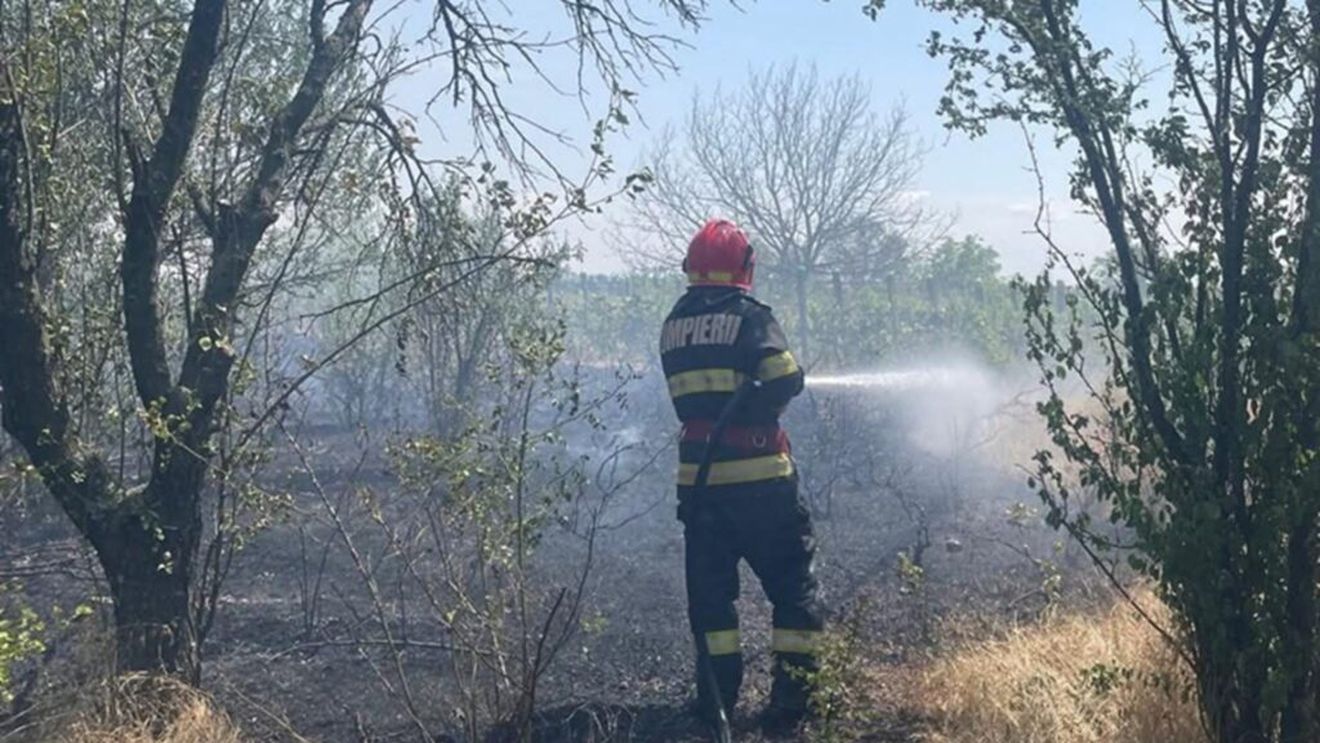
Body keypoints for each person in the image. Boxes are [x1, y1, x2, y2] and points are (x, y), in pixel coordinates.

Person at [658, 218, 825, 735]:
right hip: (761, 484)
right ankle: (792, 702)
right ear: (744, 267)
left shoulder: (674, 322)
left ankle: (717, 702)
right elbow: (784, 378)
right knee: (792, 589)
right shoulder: (751, 318)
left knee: (711, 599)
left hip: (701, 485)